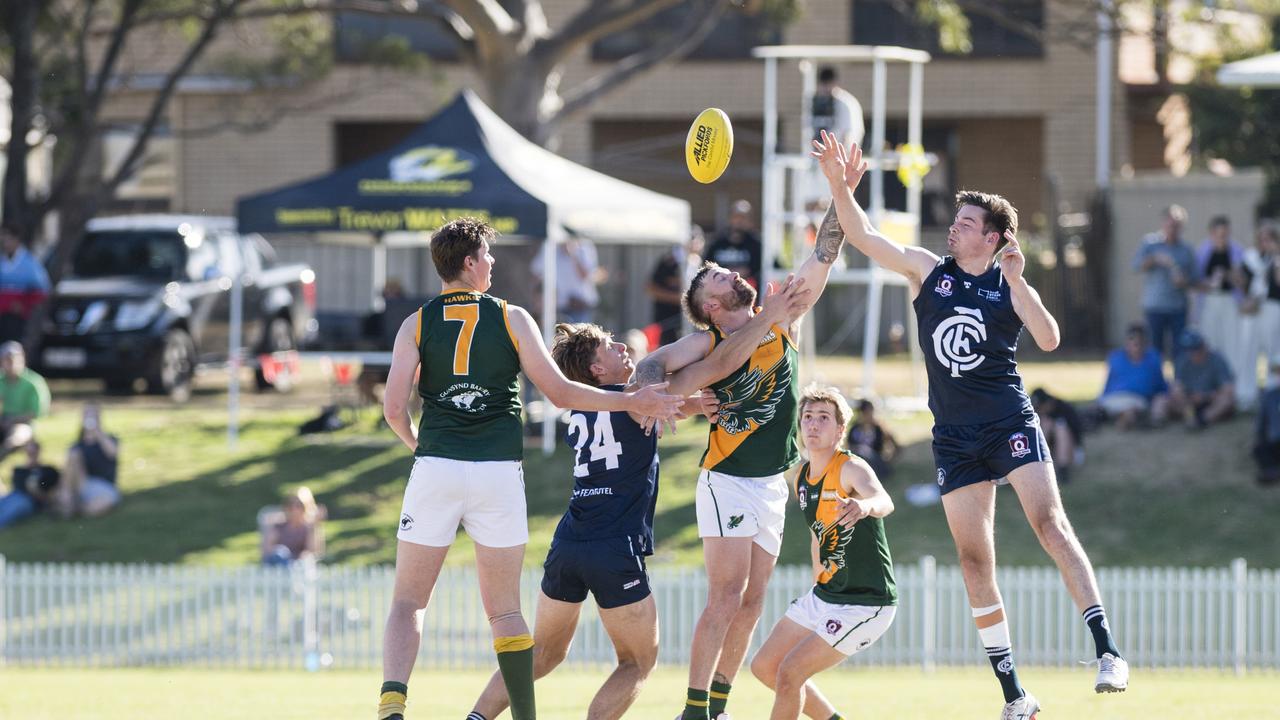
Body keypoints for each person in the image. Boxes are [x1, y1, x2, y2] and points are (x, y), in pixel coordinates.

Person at [815, 130, 1127, 719]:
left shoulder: (1009, 284)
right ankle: (1015, 695)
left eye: (965, 222)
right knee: (973, 560)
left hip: (1009, 421)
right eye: (955, 219)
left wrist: (1016, 279)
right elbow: (863, 236)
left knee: (1049, 525)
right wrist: (838, 183)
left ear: (994, 236)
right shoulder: (930, 272)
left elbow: (1050, 338)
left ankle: (1107, 651)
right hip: (953, 438)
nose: (953, 227)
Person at [375, 218, 681, 720]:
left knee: (408, 601)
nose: (493, 263)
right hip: (496, 472)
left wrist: (420, 447)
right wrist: (630, 402)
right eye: (488, 256)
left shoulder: (417, 323)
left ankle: (392, 706)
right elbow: (561, 393)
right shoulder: (512, 317)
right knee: (505, 611)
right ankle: (523, 716)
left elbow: (392, 409)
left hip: (436, 466)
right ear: (470, 262)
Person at [466, 280, 808, 720]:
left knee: (543, 655)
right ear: (595, 371)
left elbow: (660, 406)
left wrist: (693, 407)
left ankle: (476, 717)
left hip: (569, 542)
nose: (623, 349)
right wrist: (698, 394)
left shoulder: (589, 405)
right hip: (615, 547)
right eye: (610, 348)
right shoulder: (635, 398)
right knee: (638, 662)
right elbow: (706, 371)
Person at [635, 197, 847, 720]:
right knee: (726, 595)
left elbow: (823, 255)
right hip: (726, 479)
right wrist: (660, 398)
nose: (732, 273)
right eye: (718, 279)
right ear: (710, 305)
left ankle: (720, 706)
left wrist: (842, 194)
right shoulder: (709, 337)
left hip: (773, 482)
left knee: (753, 601)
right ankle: (693, 708)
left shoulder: (781, 317)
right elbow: (662, 364)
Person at [749, 386, 895, 720]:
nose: (813, 425)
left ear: (840, 430)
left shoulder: (851, 468)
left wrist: (864, 506)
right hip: (827, 595)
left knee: (790, 673)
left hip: (867, 603)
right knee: (765, 666)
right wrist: (820, 581)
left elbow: (884, 500)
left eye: (824, 418)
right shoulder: (801, 476)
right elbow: (818, 533)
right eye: (808, 417)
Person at [1132, 205, 1196, 357]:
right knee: (1154, 350)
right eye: (1170, 224)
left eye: (1177, 225)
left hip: (1178, 307)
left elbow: (1195, 279)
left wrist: (1183, 281)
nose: (1173, 228)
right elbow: (1135, 266)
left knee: (1180, 350)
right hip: (1155, 306)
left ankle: (1178, 381)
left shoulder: (1186, 249)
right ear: (1163, 223)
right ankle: (1155, 380)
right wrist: (1154, 259)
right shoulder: (1150, 243)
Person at [805, 66, 865, 215]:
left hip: (839, 161)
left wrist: (843, 159)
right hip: (820, 159)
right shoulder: (816, 102)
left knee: (836, 200)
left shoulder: (845, 103)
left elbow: (850, 134)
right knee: (812, 200)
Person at [1193, 215, 1244, 374]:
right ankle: (1212, 381)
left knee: (1232, 342)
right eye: (1220, 234)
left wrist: (1230, 275)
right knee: (1210, 341)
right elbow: (1195, 283)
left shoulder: (1237, 251)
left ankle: (1233, 381)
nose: (1223, 238)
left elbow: (1243, 282)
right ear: (1212, 233)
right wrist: (1210, 282)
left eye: (1226, 234)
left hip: (1230, 301)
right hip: (1209, 301)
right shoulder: (1202, 252)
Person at [1094, 324, 1170, 430]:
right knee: (1101, 408)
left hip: (1138, 400)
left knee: (1133, 409)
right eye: (1132, 343)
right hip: (1114, 397)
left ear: (1145, 344)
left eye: (1139, 343)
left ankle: (1125, 418)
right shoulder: (1116, 358)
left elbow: (1160, 385)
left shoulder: (1153, 359)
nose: (1135, 347)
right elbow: (1109, 383)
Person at [1237, 221, 1278, 409]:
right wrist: (1246, 300)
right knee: (1247, 350)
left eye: (1269, 239)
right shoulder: (1250, 258)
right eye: (1262, 239)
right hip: (1252, 311)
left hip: (1272, 308)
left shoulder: (1276, 259)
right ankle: (1246, 394)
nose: (1264, 243)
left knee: (1274, 350)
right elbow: (1241, 281)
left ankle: (1273, 390)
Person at [55, 402, 121, 517]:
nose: (90, 417)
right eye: (87, 414)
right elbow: (68, 470)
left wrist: (98, 433)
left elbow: (113, 453)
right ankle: (68, 499)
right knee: (74, 455)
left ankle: (76, 509)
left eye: (93, 414)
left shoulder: (110, 439)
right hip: (82, 484)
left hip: (104, 487)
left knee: (105, 503)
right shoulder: (77, 445)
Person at [531, 231, 605, 324]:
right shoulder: (550, 246)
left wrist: (573, 254)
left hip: (580, 307)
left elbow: (586, 275)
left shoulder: (585, 246)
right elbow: (537, 273)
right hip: (559, 307)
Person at [1169, 329, 1236, 430]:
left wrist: (1206, 396)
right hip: (1190, 401)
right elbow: (1177, 386)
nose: (1192, 353)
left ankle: (1203, 420)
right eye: (1189, 350)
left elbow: (1228, 388)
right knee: (1172, 397)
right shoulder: (1182, 360)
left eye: (1195, 349)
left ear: (1203, 347)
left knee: (1226, 400)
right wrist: (1187, 395)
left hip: (1211, 400)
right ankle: (1190, 418)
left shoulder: (1217, 360)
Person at [0, 225, 51, 344]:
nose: (5, 243)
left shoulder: (29, 263)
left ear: (17, 240)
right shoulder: (2, 261)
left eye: (8, 239)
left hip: (18, 317)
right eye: (3, 240)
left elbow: (42, 290)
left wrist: (24, 304)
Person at [0, 341, 49, 459]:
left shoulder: (33, 382)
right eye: (6, 360)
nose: (10, 364)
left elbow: (36, 413)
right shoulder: (1, 380)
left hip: (24, 423)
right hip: (3, 421)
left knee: (16, 437)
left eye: (13, 360)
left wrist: (12, 420)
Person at [1028, 388, 1085, 485]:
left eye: (1041, 406)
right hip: (1047, 453)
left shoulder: (1065, 409)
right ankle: (1027, 470)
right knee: (1045, 425)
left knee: (1060, 428)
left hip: (1072, 452)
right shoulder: (1036, 414)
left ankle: (1063, 471)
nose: (1039, 409)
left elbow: (1077, 438)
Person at [0, 440, 60, 530]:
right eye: (29, 452)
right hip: (15, 495)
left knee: (14, 508)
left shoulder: (48, 470)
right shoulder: (19, 470)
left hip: (30, 501)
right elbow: (18, 487)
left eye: (33, 451)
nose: (31, 454)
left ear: (39, 451)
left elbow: (52, 492)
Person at [705, 200, 763, 291]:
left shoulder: (757, 244)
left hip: (748, 293)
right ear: (730, 218)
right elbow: (706, 266)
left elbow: (764, 269)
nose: (739, 221)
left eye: (744, 217)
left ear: (750, 221)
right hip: (720, 293)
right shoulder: (717, 242)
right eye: (736, 217)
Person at [261, 486, 324, 565]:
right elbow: (267, 549)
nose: (294, 509)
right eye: (290, 505)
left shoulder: (309, 528)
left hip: (300, 567)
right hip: (279, 566)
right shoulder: (279, 526)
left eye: (299, 505)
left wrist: (315, 525)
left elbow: (313, 551)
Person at [847, 397, 898, 480]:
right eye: (865, 413)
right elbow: (849, 447)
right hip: (858, 462)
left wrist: (887, 460)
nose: (868, 415)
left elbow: (896, 446)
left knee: (865, 452)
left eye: (870, 412)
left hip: (875, 462)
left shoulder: (879, 428)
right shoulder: (855, 429)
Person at [1253, 356, 1280, 486]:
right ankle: (1271, 471)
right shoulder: (1270, 396)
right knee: (1260, 449)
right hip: (1276, 441)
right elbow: (1261, 424)